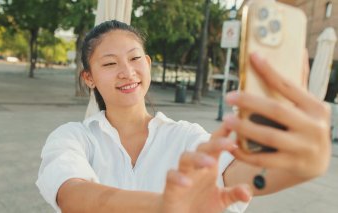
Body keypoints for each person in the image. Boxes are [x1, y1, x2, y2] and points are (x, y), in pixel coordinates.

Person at [36, 20, 331, 213]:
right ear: (89, 77)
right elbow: (71, 193)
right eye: (110, 63)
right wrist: (164, 205)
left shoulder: (186, 136)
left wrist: (303, 165)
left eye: (135, 58)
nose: (127, 71)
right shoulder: (72, 137)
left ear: (148, 63)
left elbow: (234, 176)